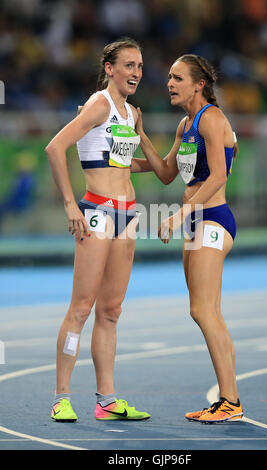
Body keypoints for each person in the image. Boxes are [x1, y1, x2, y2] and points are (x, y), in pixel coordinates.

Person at [45, 38, 152, 422]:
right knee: (82, 307)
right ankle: (61, 396)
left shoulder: (126, 112)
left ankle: (106, 401)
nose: (136, 72)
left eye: (139, 66)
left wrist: (158, 156)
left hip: (127, 214)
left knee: (110, 311)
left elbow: (119, 164)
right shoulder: (100, 104)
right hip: (98, 212)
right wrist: (70, 203)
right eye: (128, 65)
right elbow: (55, 147)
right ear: (109, 68)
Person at [135, 54, 243, 424]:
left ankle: (230, 401)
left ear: (199, 84)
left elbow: (217, 178)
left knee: (203, 310)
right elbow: (166, 172)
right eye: (168, 77)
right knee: (206, 311)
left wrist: (181, 213)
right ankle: (229, 400)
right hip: (196, 223)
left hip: (212, 220)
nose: (169, 83)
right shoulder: (186, 125)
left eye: (177, 78)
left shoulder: (212, 118)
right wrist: (137, 139)